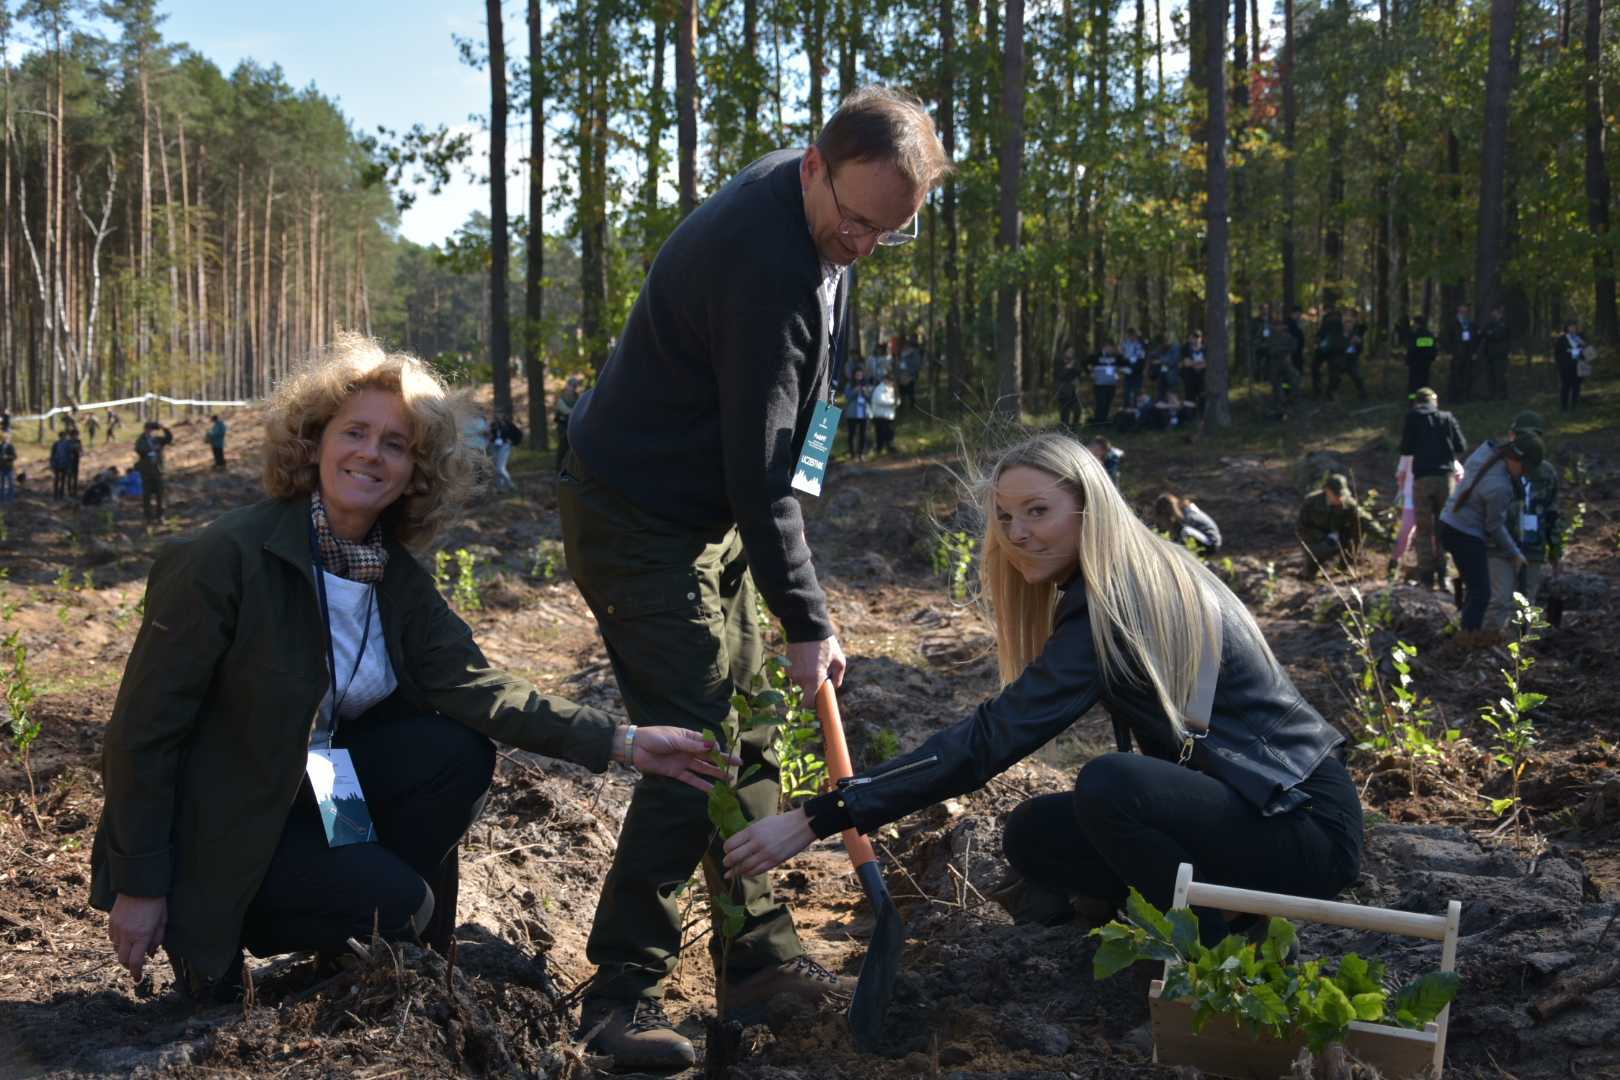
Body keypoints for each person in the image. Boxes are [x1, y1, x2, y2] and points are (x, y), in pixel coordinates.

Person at [91, 336, 732, 1006]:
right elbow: (143, 734)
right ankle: (217, 935)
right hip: (221, 824)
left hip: (320, 793)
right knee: (398, 906)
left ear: (414, 473)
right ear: (313, 442)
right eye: (355, 432)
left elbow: (479, 687)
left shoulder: (392, 576)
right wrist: (140, 885)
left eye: (395, 444)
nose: (371, 453)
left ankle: (369, 934)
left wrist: (624, 741)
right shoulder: (222, 559)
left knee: (450, 754)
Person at [557, 86, 950, 1067]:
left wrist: (792, 556)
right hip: (636, 516)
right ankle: (618, 997)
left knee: (754, 724)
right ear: (814, 166)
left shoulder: (830, 216)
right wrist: (807, 618)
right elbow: (759, 472)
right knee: (693, 747)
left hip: (712, 512)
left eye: (889, 232)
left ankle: (758, 955)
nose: (864, 245)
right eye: (855, 222)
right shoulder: (765, 264)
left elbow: (788, 437)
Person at [722, 433, 1362, 951]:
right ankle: (1164, 917)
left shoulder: (1120, 602)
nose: (1017, 533)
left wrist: (820, 816)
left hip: (1301, 824)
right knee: (1035, 833)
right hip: (1252, 810)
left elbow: (993, 738)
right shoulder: (1125, 578)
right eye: (1005, 517)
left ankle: (1216, 956)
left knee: (1112, 784)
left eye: (1037, 511)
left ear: (1090, 508)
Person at [1440, 432, 1545, 641]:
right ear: (1517, 460)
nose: (1523, 475)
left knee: (1475, 588)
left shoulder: (1486, 452)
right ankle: (1468, 640)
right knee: (1481, 592)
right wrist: (1515, 553)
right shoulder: (1500, 487)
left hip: (1448, 523)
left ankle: (1461, 633)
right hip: (1464, 533)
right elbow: (1494, 526)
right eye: (1524, 469)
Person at [1481, 412, 1560, 633]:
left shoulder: (1547, 472)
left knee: (1525, 603)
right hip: (1500, 544)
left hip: (1533, 545)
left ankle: (1519, 647)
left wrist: (1555, 551)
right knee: (1499, 599)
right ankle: (1487, 644)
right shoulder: (1500, 467)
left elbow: (1553, 513)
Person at [1395, 388, 1467, 589]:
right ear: (1434, 401)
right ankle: (1444, 576)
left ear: (1417, 402)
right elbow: (1461, 446)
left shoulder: (1412, 418)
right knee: (1444, 526)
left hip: (1422, 479)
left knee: (1424, 529)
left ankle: (1426, 577)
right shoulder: (1446, 418)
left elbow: (1406, 449)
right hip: (1445, 479)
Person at [1297, 474, 1387, 576]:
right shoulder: (1311, 501)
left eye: (1341, 494)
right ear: (1327, 490)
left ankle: (1344, 567)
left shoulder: (1348, 502)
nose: (1340, 498)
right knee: (1309, 574)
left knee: (1358, 526)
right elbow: (1301, 527)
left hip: (1338, 539)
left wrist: (1385, 535)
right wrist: (1323, 538)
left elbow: (1366, 520)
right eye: (1336, 494)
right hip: (1317, 541)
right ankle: (1310, 570)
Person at [134, 420, 175, 523]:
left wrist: (164, 428)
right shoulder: (141, 440)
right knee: (146, 496)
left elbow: (169, 438)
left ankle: (160, 516)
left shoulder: (158, 439)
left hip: (159, 471)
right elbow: (139, 449)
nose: (151, 431)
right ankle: (148, 517)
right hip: (146, 472)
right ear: (145, 429)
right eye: (149, 429)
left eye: (153, 430)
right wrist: (151, 449)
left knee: (160, 495)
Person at [1153, 493, 1221, 553]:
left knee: (1186, 531)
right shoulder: (1189, 511)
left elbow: (1184, 521)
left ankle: (1178, 549)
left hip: (1211, 542)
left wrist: (1174, 506)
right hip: (1204, 539)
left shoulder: (1191, 512)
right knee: (1183, 531)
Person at [1327, 314, 1367, 401]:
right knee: (1335, 378)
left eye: (1351, 324)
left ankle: (1362, 394)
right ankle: (1330, 393)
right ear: (1344, 326)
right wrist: (1348, 344)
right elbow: (1335, 347)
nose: (1349, 326)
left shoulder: (1355, 335)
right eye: (1347, 324)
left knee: (1358, 376)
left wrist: (1358, 344)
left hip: (1351, 361)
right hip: (1338, 360)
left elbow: (1359, 350)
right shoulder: (1337, 335)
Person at [1445, 303, 1477, 403]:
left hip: (1468, 353)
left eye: (1465, 311)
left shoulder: (1470, 324)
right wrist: (1450, 351)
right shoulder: (1452, 324)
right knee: (1456, 375)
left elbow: (1475, 339)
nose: (1463, 313)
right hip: (1457, 354)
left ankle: (1465, 396)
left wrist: (1474, 352)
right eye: (1461, 311)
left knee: (1467, 375)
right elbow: (1447, 339)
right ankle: (1455, 397)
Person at [1554, 320, 1588, 412]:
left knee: (1576, 387)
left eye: (1574, 326)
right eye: (1571, 326)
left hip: (1579, 366)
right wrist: (1562, 363)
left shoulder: (1580, 337)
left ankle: (1574, 407)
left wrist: (1583, 347)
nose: (1573, 328)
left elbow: (1587, 351)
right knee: (1565, 387)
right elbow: (1558, 353)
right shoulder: (1562, 339)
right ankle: (1564, 408)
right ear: (1567, 328)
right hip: (1566, 367)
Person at [1312, 307, 1344, 398]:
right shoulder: (1337, 319)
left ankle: (1323, 390)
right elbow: (1321, 333)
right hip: (1331, 348)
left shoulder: (1329, 319)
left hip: (1329, 348)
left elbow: (1320, 333)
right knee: (1333, 371)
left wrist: (1317, 341)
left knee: (1318, 368)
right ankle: (1327, 391)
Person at [488, 412, 523, 492]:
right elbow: (491, 435)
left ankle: (511, 485)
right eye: (496, 415)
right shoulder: (493, 425)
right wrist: (491, 439)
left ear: (503, 416)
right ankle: (500, 487)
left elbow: (518, 434)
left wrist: (513, 442)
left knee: (500, 468)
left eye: (499, 415)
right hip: (494, 446)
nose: (498, 417)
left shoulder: (509, 425)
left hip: (505, 446)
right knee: (496, 467)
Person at [1482, 304, 1511, 401]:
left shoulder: (1504, 323)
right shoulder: (1490, 324)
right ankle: (1492, 394)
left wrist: (1491, 333)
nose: (1492, 314)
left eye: (1494, 312)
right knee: (1491, 375)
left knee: (1500, 375)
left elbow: (1498, 335)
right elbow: (1484, 333)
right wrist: (1490, 333)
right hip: (1490, 354)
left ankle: (1502, 395)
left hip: (1500, 354)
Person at [843, 367, 873, 461]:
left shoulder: (866, 386)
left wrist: (865, 392)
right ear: (854, 375)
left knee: (863, 434)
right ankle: (852, 454)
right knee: (851, 434)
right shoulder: (849, 385)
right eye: (857, 375)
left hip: (864, 414)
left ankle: (861, 454)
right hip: (852, 414)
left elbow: (870, 399)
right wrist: (854, 391)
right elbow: (846, 397)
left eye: (860, 375)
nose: (859, 377)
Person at [553, 375, 582, 470]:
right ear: (568, 385)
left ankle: (571, 469)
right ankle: (558, 468)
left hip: (573, 426)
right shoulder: (562, 398)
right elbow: (565, 411)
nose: (573, 388)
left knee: (573, 449)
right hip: (563, 426)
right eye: (572, 385)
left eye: (575, 386)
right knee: (562, 448)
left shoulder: (577, 397)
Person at [1405, 316, 1438, 397]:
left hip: (1415, 364)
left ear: (1417, 324)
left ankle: (1412, 400)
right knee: (1424, 383)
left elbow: (1411, 349)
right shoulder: (1429, 335)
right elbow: (1433, 349)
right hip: (1426, 364)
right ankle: (1424, 399)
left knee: (1413, 384)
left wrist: (1408, 361)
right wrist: (1431, 359)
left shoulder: (1415, 335)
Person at [1054, 349, 1084, 431]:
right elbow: (1059, 376)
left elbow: (1079, 372)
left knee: (1078, 410)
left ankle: (1074, 428)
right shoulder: (1059, 362)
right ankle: (1064, 430)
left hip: (1074, 392)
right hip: (1063, 392)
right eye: (1069, 351)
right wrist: (1067, 368)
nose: (1070, 353)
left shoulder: (1075, 362)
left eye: (1072, 352)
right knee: (1065, 414)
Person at [1180, 330, 1208, 415]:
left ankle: (1202, 415)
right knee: (1189, 397)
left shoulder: (1205, 349)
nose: (1196, 339)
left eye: (1197, 337)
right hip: (1189, 378)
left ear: (1201, 338)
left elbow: (1207, 364)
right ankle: (1190, 415)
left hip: (1202, 378)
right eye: (1194, 337)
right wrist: (1199, 363)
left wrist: (1193, 363)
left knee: (1202, 396)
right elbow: (1186, 363)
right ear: (1190, 338)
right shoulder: (1186, 349)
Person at [1091, 343, 1120, 426]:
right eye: (1109, 347)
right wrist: (1092, 375)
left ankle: (1104, 421)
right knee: (1101, 403)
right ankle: (1098, 422)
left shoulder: (1114, 357)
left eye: (1112, 348)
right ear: (1104, 347)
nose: (1111, 349)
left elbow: (1115, 369)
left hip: (1111, 384)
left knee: (1107, 403)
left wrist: (1116, 376)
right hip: (1100, 385)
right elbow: (1092, 368)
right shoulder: (1097, 356)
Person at [871, 371, 899, 455]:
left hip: (889, 416)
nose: (891, 382)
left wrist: (896, 402)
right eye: (890, 380)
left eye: (892, 381)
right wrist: (893, 402)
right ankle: (879, 450)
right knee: (881, 435)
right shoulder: (879, 389)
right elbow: (880, 401)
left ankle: (890, 449)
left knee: (890, 434)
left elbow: (897, 400)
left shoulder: (892, 389)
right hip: (880, 416)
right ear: (885, 380)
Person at [1120, 329, 1147, 407]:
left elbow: (1143, 357)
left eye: (1133, 335)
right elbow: (1122, 355)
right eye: (1130, 335)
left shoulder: (1140, 343)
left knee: (1137, 390)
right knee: (1127, 389)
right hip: (1128, 367)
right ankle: (1126, 406)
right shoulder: (1125, 343)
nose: (1132, 337)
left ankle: (1136, 406)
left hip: (1138, 367)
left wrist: (1139, 368)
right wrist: (1124, 366)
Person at [50, 430, 74, 500]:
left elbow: (70, 455)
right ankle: (55, 495)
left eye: (64, 436)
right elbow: (52, 454)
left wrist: (69, 465)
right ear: (60, 436)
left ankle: (61, 495)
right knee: (57, 480)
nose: (64, 437)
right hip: (57, 464)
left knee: (63, 480)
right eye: (63, 436)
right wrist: (52, 463)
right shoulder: (56, 444)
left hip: (65, 464)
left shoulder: (68, 445)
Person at [0, 432, 15, 503]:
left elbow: (14, 456)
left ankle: (11, 499)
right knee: (2, 484)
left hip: (9, 468)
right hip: (1, 467)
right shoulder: (0, 446)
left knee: (10, 484)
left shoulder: (11, 446)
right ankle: (2, 499)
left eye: (6, 438)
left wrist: (7, 457)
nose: (5, 439)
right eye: (3, 438)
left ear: (8, 439)